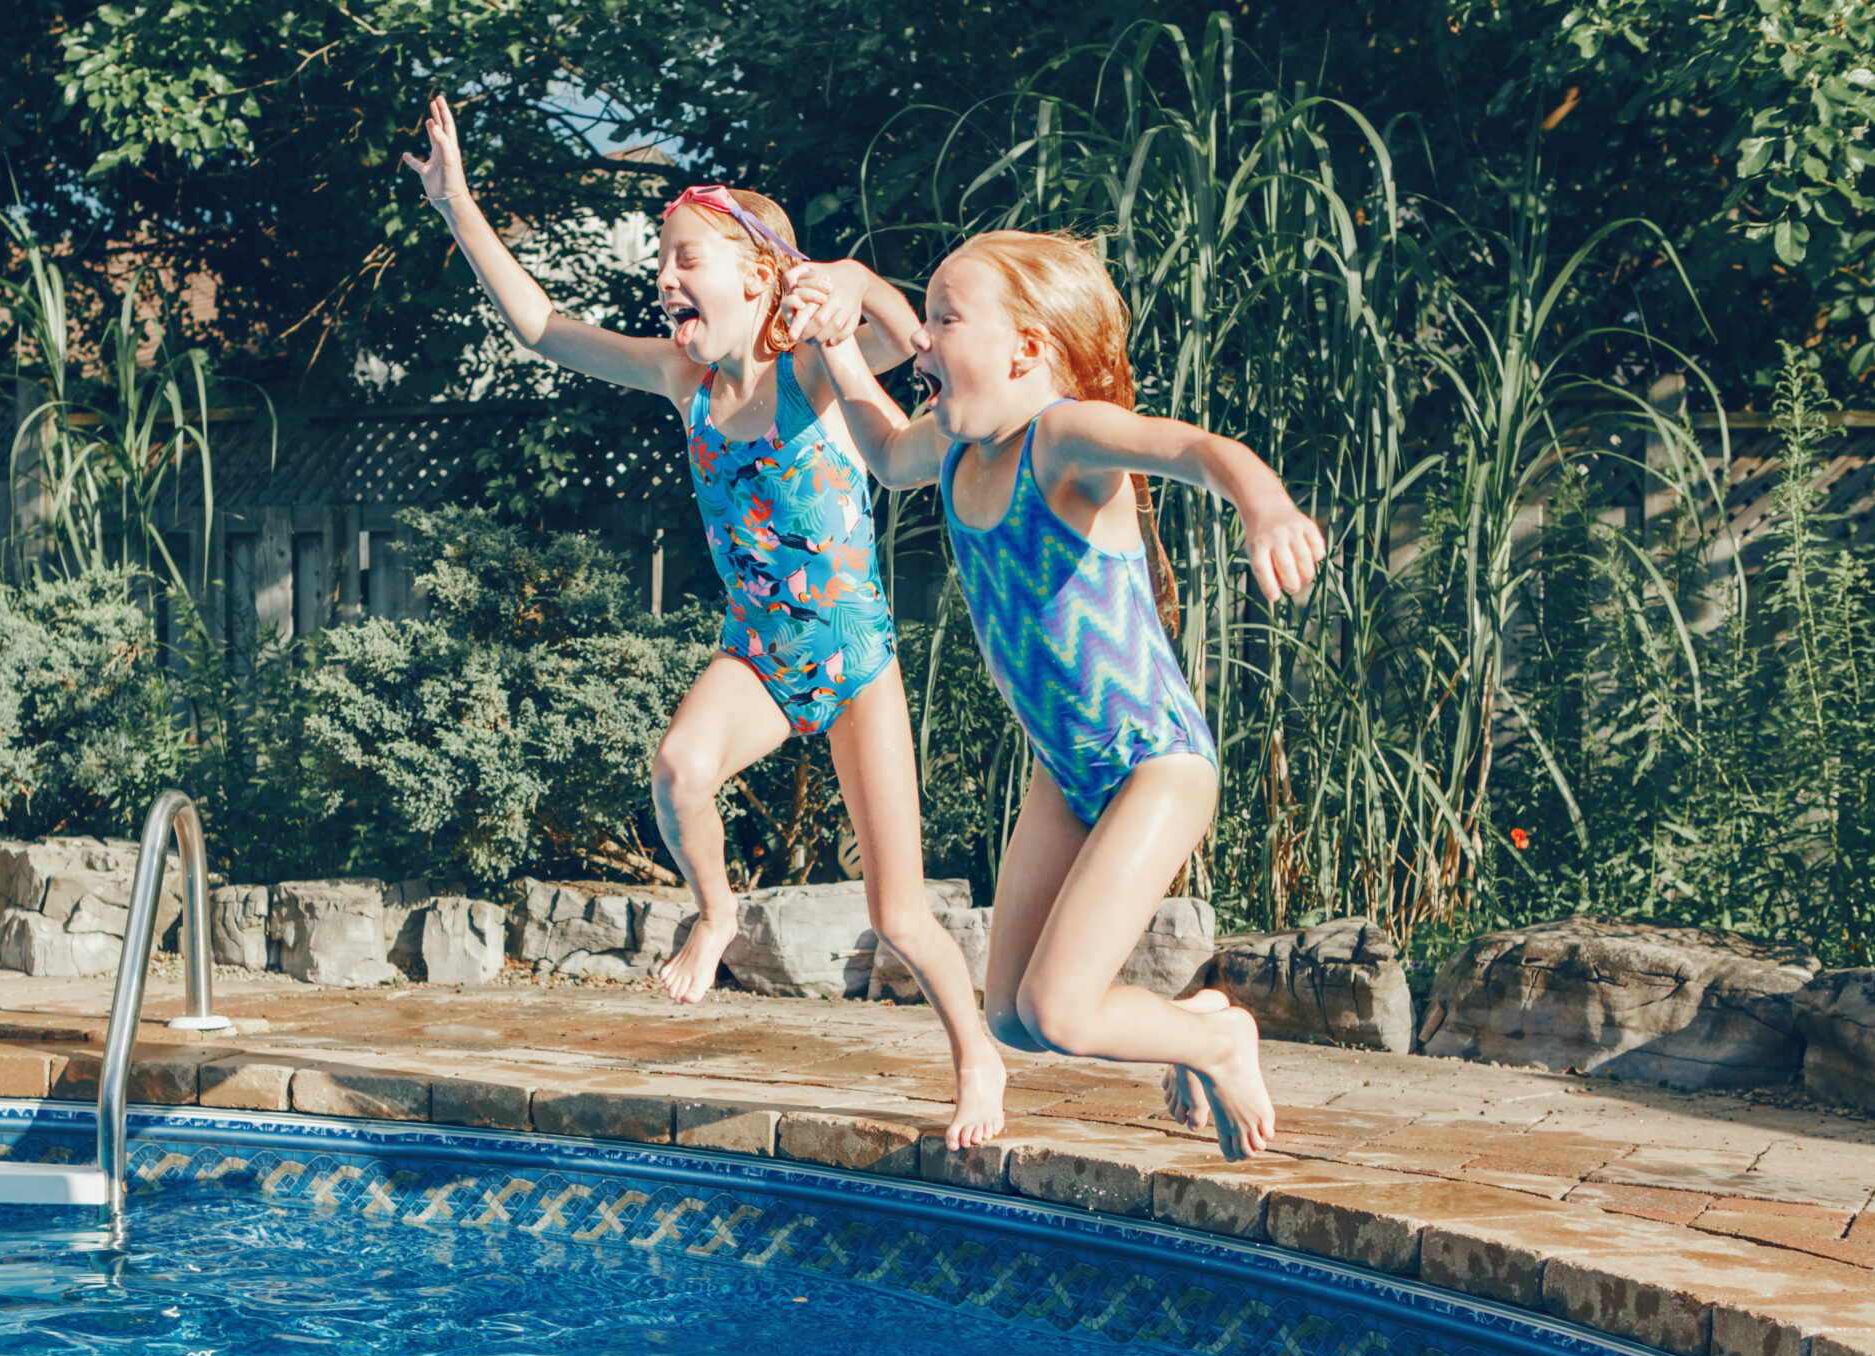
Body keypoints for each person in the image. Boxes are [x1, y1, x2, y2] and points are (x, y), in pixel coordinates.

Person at [402, 94, 1008, 1147]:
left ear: (756, 276)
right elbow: (541, 329)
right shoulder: (678, 375)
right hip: (761, 655)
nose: (664, 277)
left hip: (854, 661)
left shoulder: (807, 366)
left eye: (685, 258)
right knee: (679, 767)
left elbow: (899, 344)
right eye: (661, 261)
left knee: (896, 913)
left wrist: (857, 287)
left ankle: (978, 1060)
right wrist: (459, 207)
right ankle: (718, 910)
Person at [813, 230, 1325, 1158]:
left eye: (944, 318)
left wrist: (1266, 505)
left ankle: (1219, 1035)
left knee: (1060, 1004)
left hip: (1155, 764)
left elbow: (1197, 447)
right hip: (1066, 771)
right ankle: (1198, 1017)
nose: (921, 340)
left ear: (1027, 348)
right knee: (1009, 1015)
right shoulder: (958, 450)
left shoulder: (1062, 436)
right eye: (921, 317)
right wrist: (833, 340)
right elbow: (885, 453)